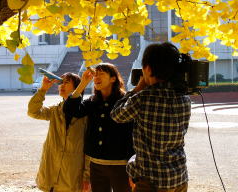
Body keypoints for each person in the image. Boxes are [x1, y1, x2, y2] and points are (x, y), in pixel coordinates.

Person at [111, 42, 192, 192]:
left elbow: (116, 115)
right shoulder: (185, 99)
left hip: (151, 182)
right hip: (179, 178)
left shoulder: (143, 98)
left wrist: (137, 89)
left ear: (147, 69)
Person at [63, 63, 134, 192]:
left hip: (121, 164)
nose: (96, 77)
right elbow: (70, 110)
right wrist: (83, 83)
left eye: (101, 74)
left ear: (113, 78)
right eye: (95, 74)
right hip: (96, 164)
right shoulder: (92, 101)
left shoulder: (125, 100)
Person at [27, 72, 89, 192]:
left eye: (66, 82)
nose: (62, 85)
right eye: (60, 82)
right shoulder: (55, 110)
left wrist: (87, 175)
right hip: (51, 169)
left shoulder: (85, 112)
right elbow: (33, 111)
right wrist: (43, 89)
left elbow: (89, 147)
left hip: (72, 172)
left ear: (78, 87)